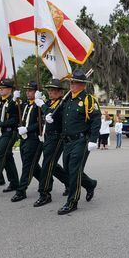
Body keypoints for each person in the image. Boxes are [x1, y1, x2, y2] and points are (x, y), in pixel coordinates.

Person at [47, 70, 101, 215]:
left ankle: (72, 202)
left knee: (74, 171)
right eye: (71, 82)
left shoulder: (88, 100)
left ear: (82, 85)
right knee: (70, 170)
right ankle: (90, 184)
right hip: (67, 141)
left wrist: (93, 140)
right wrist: (50, 117)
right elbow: (58, 116)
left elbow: (96, 120)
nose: (72, 84)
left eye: (75, 82)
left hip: (81, 141)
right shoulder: (67, 100)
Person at [33, 79, 69, 207]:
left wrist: (42, 105)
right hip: (47, 137)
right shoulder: (50, 102)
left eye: (52, 90)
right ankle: (72, 183)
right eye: (49, 90)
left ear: (60, 92)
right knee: (52, 165)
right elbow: (44, 110)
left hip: (57, 138)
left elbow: (51, 114)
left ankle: (45, 193)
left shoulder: (62, 103)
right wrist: (37, 101)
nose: (49, 92)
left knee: (47, 164)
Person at [11, 81, 43, 202]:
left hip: (34, 139)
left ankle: (21, 191)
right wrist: (14, 99)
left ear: (36, 92)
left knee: (27, 166)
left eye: (30, 90)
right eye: (27, 90)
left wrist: (27, 129)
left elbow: (40, 122)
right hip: (24, 139)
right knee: (32, 166)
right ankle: (47, 181)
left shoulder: (39, 105)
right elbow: (12, 111)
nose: (28, 92)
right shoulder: (25, 104)